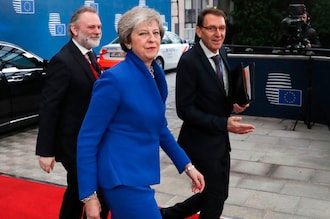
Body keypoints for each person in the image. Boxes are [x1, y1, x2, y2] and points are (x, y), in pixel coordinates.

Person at [76, 6, 205, 219]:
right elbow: (88, 138)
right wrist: (89, 196)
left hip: (139, 172)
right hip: (120, 175)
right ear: (128, 41)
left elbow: (159, 127)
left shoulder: (156, 74)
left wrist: (187, 166)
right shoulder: (114, 79)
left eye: (156, 33)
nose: (152, 39)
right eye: (143, 34)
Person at [160, 7, 255, 219]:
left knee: (219, 193)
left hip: (220, 140)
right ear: (199, 31)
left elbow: (220, 91)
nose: (218, 33)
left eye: (222, 28)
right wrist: (224, 123)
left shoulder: (222, 52)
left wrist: (235, 104)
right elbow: (184, 110)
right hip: (199, 143)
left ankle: (168, 215)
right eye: (211, 28)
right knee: (215, 199)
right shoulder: (189, 62)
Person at [35, 6, 109, 219]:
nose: (97, 31)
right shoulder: (63, 60)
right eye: (92, 27)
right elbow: (49, 107)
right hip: (73, 145)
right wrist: (46, 151)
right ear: (75, 30)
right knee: (89, 190)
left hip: (90, 141)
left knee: (78, 191)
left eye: (99, 27)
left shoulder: (90, 55)